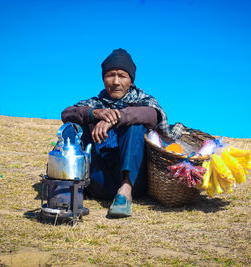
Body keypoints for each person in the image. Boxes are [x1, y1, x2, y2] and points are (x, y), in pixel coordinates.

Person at [61, 48, 182, 218]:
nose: (116, 81)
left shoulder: (144, 101)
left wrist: (116, 117)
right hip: (99, 182)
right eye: (110, 75)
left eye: (122, 76)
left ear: (131, 81)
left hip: (134, 181)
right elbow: (67, 113)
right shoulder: (95, 104)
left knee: (135, 125)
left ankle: (125, 193)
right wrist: (94, 114)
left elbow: (153, 115)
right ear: (103, 79)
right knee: (83, 122)